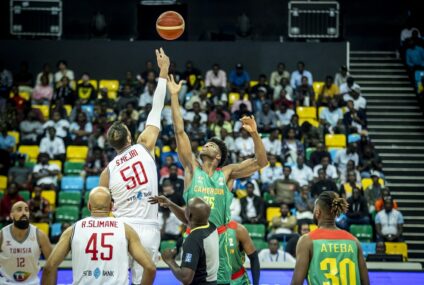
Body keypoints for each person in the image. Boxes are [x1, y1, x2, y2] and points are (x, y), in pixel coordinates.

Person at [150, 74, 268, 285]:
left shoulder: (227, 173)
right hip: (194, 235)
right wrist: (174, 96)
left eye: (212, 145)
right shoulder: (192, 169)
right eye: (206, 143)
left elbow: (261, 162)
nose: (206, 145)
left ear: (218, 157)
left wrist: (255, 134)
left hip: (220, 238)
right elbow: (179, 131)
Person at [98, 48, 169, 285]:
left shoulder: (106, 172)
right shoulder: (144, 145)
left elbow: (100, 210)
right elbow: (156, 107)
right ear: (129, 138)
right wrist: (163, 71)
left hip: (119, 227)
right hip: (147, 229)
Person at [41, 187, 156, 285]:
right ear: (111, 206)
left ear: (89, 206)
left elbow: (49, 268)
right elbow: (150, 268)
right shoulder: (126, 229)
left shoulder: (72, 230)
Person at [290, 191, 369, 285]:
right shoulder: (354, 241)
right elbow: (365, 282)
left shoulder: (307, 241)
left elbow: (297, 283)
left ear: (317, 212)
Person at [161, 197, 219, 285]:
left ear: (189, 214)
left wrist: (169, 260)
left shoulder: (193, 240)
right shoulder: (211, 226)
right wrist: (171, 204)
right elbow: (190, 219)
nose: (184, 209)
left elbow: (186, 278)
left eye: (186, 208)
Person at [0, 201, 52, 284]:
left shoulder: (40, 235)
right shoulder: (2, 235)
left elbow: (52, 264)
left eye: (26, 210)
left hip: (32, 283)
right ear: (12, 215)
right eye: (19, 210)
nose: (24, 213)